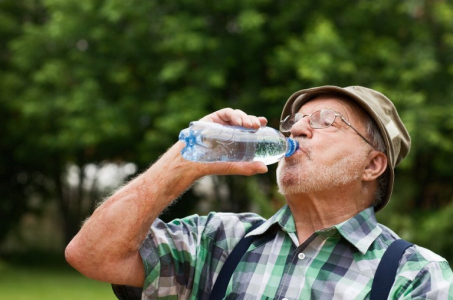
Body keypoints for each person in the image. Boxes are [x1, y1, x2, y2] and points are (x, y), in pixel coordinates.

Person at [65, 85, 453, 299]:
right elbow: (92, 255)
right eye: (296, 121)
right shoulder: (218, 241)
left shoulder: (415, 276)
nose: (297, 130)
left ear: (372, 165)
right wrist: (185, 160)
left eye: (326, 122)